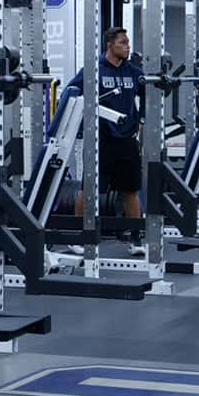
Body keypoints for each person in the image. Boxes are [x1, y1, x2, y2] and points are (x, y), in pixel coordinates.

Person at [68, 27, 146, 256]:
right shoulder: (93, 70)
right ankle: (79, 237)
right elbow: (72, 93)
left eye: (128, 43)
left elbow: (149, 95)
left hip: (127, 141)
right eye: (123, 43)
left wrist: (141, 119)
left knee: (131, 190)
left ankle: (135, 239)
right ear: (110, 45)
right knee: (88, 189)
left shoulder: (133, 71)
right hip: (99, 140)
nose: (127, 47)